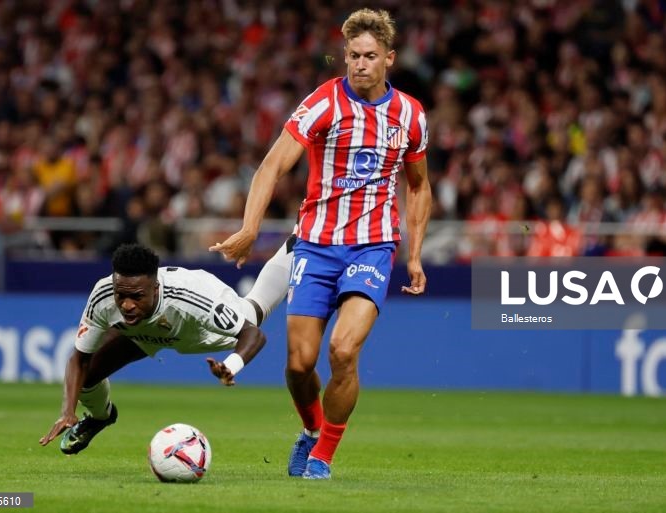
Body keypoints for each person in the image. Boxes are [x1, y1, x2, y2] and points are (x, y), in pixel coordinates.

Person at [210, 8, 431, 479]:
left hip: (373, 246)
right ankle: (310, 431)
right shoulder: (323, 104)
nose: (360, 64)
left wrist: (413, 253)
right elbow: (272, 166)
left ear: (389, 58)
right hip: (314, 245)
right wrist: (250, 228)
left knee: (344, 351)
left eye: (370, 56)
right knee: (298, 363)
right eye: (353, 55)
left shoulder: (410, 114)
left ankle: (322, 456)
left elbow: (418, 184)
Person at [39, 237, 293, 454]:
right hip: (145, 332)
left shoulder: (193, 297)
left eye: (136, 296)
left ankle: (298, 240)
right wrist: (67, 411)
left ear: (155, 287)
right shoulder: (103, 294)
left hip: (204, 333)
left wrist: (231, 365)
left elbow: (254, 335)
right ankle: (99, 417)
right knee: (86, 377)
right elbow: (79, 358)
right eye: (121, 295)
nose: (126, 304)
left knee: (256, 307)